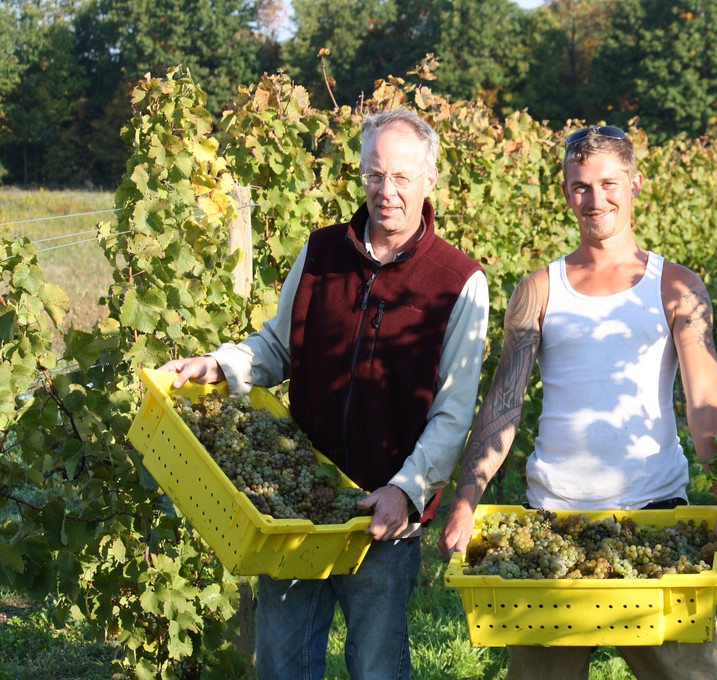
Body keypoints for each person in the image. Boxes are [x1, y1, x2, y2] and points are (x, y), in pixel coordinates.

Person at [160, 108, 489, 680]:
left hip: (383, 516)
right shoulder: (321, 254)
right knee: (284, 664)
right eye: (375, 175)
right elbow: (278, 346)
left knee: (376, 666)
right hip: (296, 510)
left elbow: (453, 411)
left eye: (402, 177)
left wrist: (406, 491)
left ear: (430, 180)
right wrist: (219, 365)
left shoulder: (458, 282)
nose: (387, 192)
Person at [439, 125, 717, 680]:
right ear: (565, 190)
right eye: (581, 186)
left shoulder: (676, 287)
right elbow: (504, 405)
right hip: (551, 528)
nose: (595, 199)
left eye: (608, 183)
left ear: (635, 185)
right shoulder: (538, 289)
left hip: (656, 520)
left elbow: (705, 403)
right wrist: (467, 496)